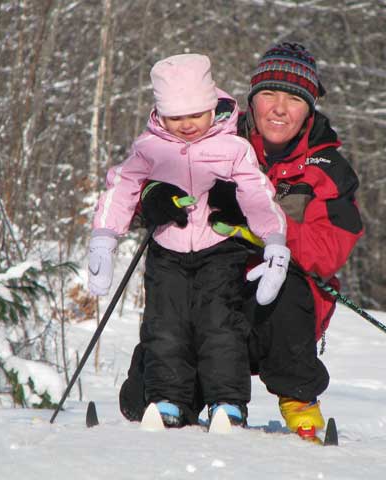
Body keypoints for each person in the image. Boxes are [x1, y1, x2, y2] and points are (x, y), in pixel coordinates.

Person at [120, 42, 364, 438]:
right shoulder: (217, 136)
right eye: (269, 94)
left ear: (311, 107)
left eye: (294, 98)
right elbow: (140, 178)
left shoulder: (329, 169)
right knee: (139, 397)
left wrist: (254, 221)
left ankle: (299, 402)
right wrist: (151, 198)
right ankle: (179, 400)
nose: (280, 108)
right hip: (209, 297)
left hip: (275, 314)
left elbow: (327, 251)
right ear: (252, 100)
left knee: (285, 293)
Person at [88, 53, 291, 428]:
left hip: (220, 252)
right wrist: (104, 237)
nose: (187, 126)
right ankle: (168, 400)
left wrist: (274, 239)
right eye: (176, 118)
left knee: (220, 327)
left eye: (196, 115)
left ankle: (226, 404)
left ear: (212, 107)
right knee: (164, 327)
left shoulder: (234, 148)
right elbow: (122, 187)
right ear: (160, 114)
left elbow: (257, 194)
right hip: (167, 251)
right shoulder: (150, 147)